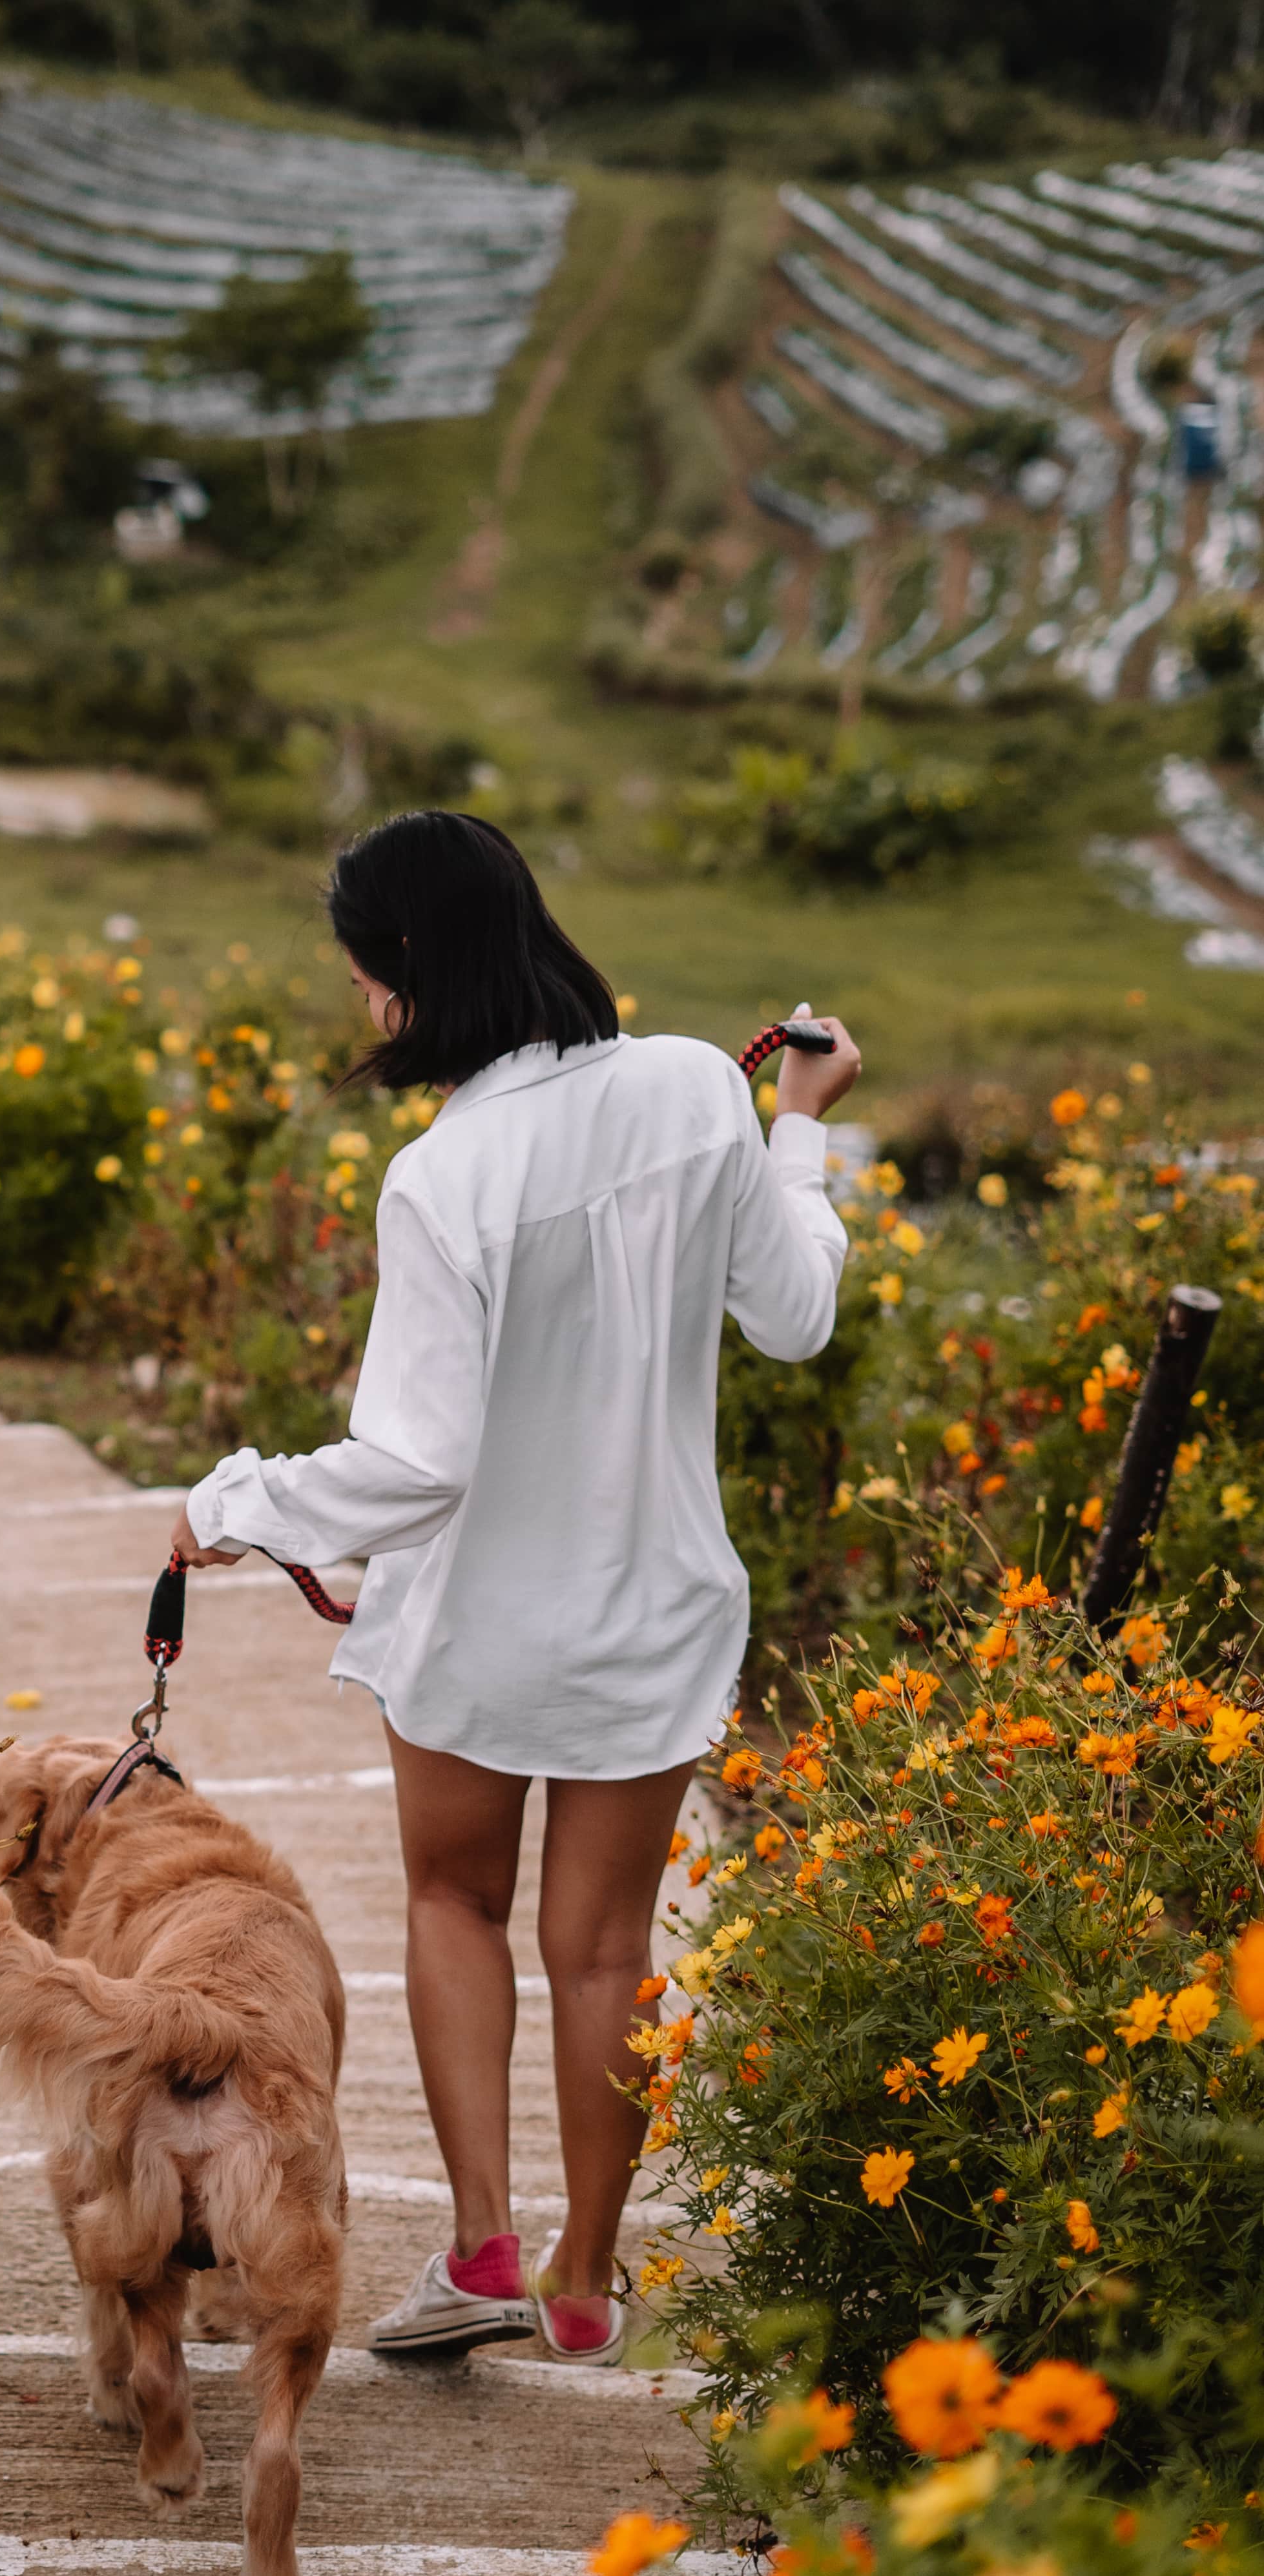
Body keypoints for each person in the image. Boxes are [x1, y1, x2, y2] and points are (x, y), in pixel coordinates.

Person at [169, 810, 855, 2365]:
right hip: (653, 1605)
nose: (362, 1010)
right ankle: (586, 2277)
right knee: (606, 1951)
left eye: (361, 980)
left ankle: (478, 2244)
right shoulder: (696, 1085)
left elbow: (413, 1466)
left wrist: (235, 1504)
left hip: (480, 1624)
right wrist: (795, 1122)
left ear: (406, 980)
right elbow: (795, 1315)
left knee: (451, 1901)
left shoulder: (441, 1175)